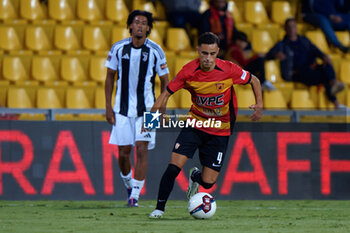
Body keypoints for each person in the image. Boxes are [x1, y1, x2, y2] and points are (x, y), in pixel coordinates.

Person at [148, 32, 263, 218]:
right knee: (173, 167)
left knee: (208, 183)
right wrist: (151, 120)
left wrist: (259, 104)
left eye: (212, 54)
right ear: (198, 52)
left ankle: (195, 177)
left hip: (220, 130)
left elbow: (254, 80)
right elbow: (166, 94)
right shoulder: (188, 71)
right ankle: (159, 209)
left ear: (218, 52)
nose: (208, 58)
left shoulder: (229, 69)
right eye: (204, 53)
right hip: (195, 123)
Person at [104, 10, 169, 207]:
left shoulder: (156, 51)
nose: (140, 25)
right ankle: (128, 186)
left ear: (148, 28)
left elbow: (166, 82)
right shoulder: (118, 48)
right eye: (136, 22)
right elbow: (109, 78)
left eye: (144, 23)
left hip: (148, 109)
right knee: (123, 153)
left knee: (142, 149)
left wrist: (162, 107)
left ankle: (135, 196)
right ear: (130, 25)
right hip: (122, 109)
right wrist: (108, 107)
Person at [265, 18, 345, 108]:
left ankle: (333, 84)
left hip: (311, 69)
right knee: (325, 76)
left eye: (293, 26)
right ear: (285, 29)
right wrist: (275, 54)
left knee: (327, 65)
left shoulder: (304, 41)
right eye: (289, 27)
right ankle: (335, 97)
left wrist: (324, 56)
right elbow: (267, 56)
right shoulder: (281, 44)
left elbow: (315, 50)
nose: (291, 29)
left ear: (296, 28)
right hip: (296, 73)